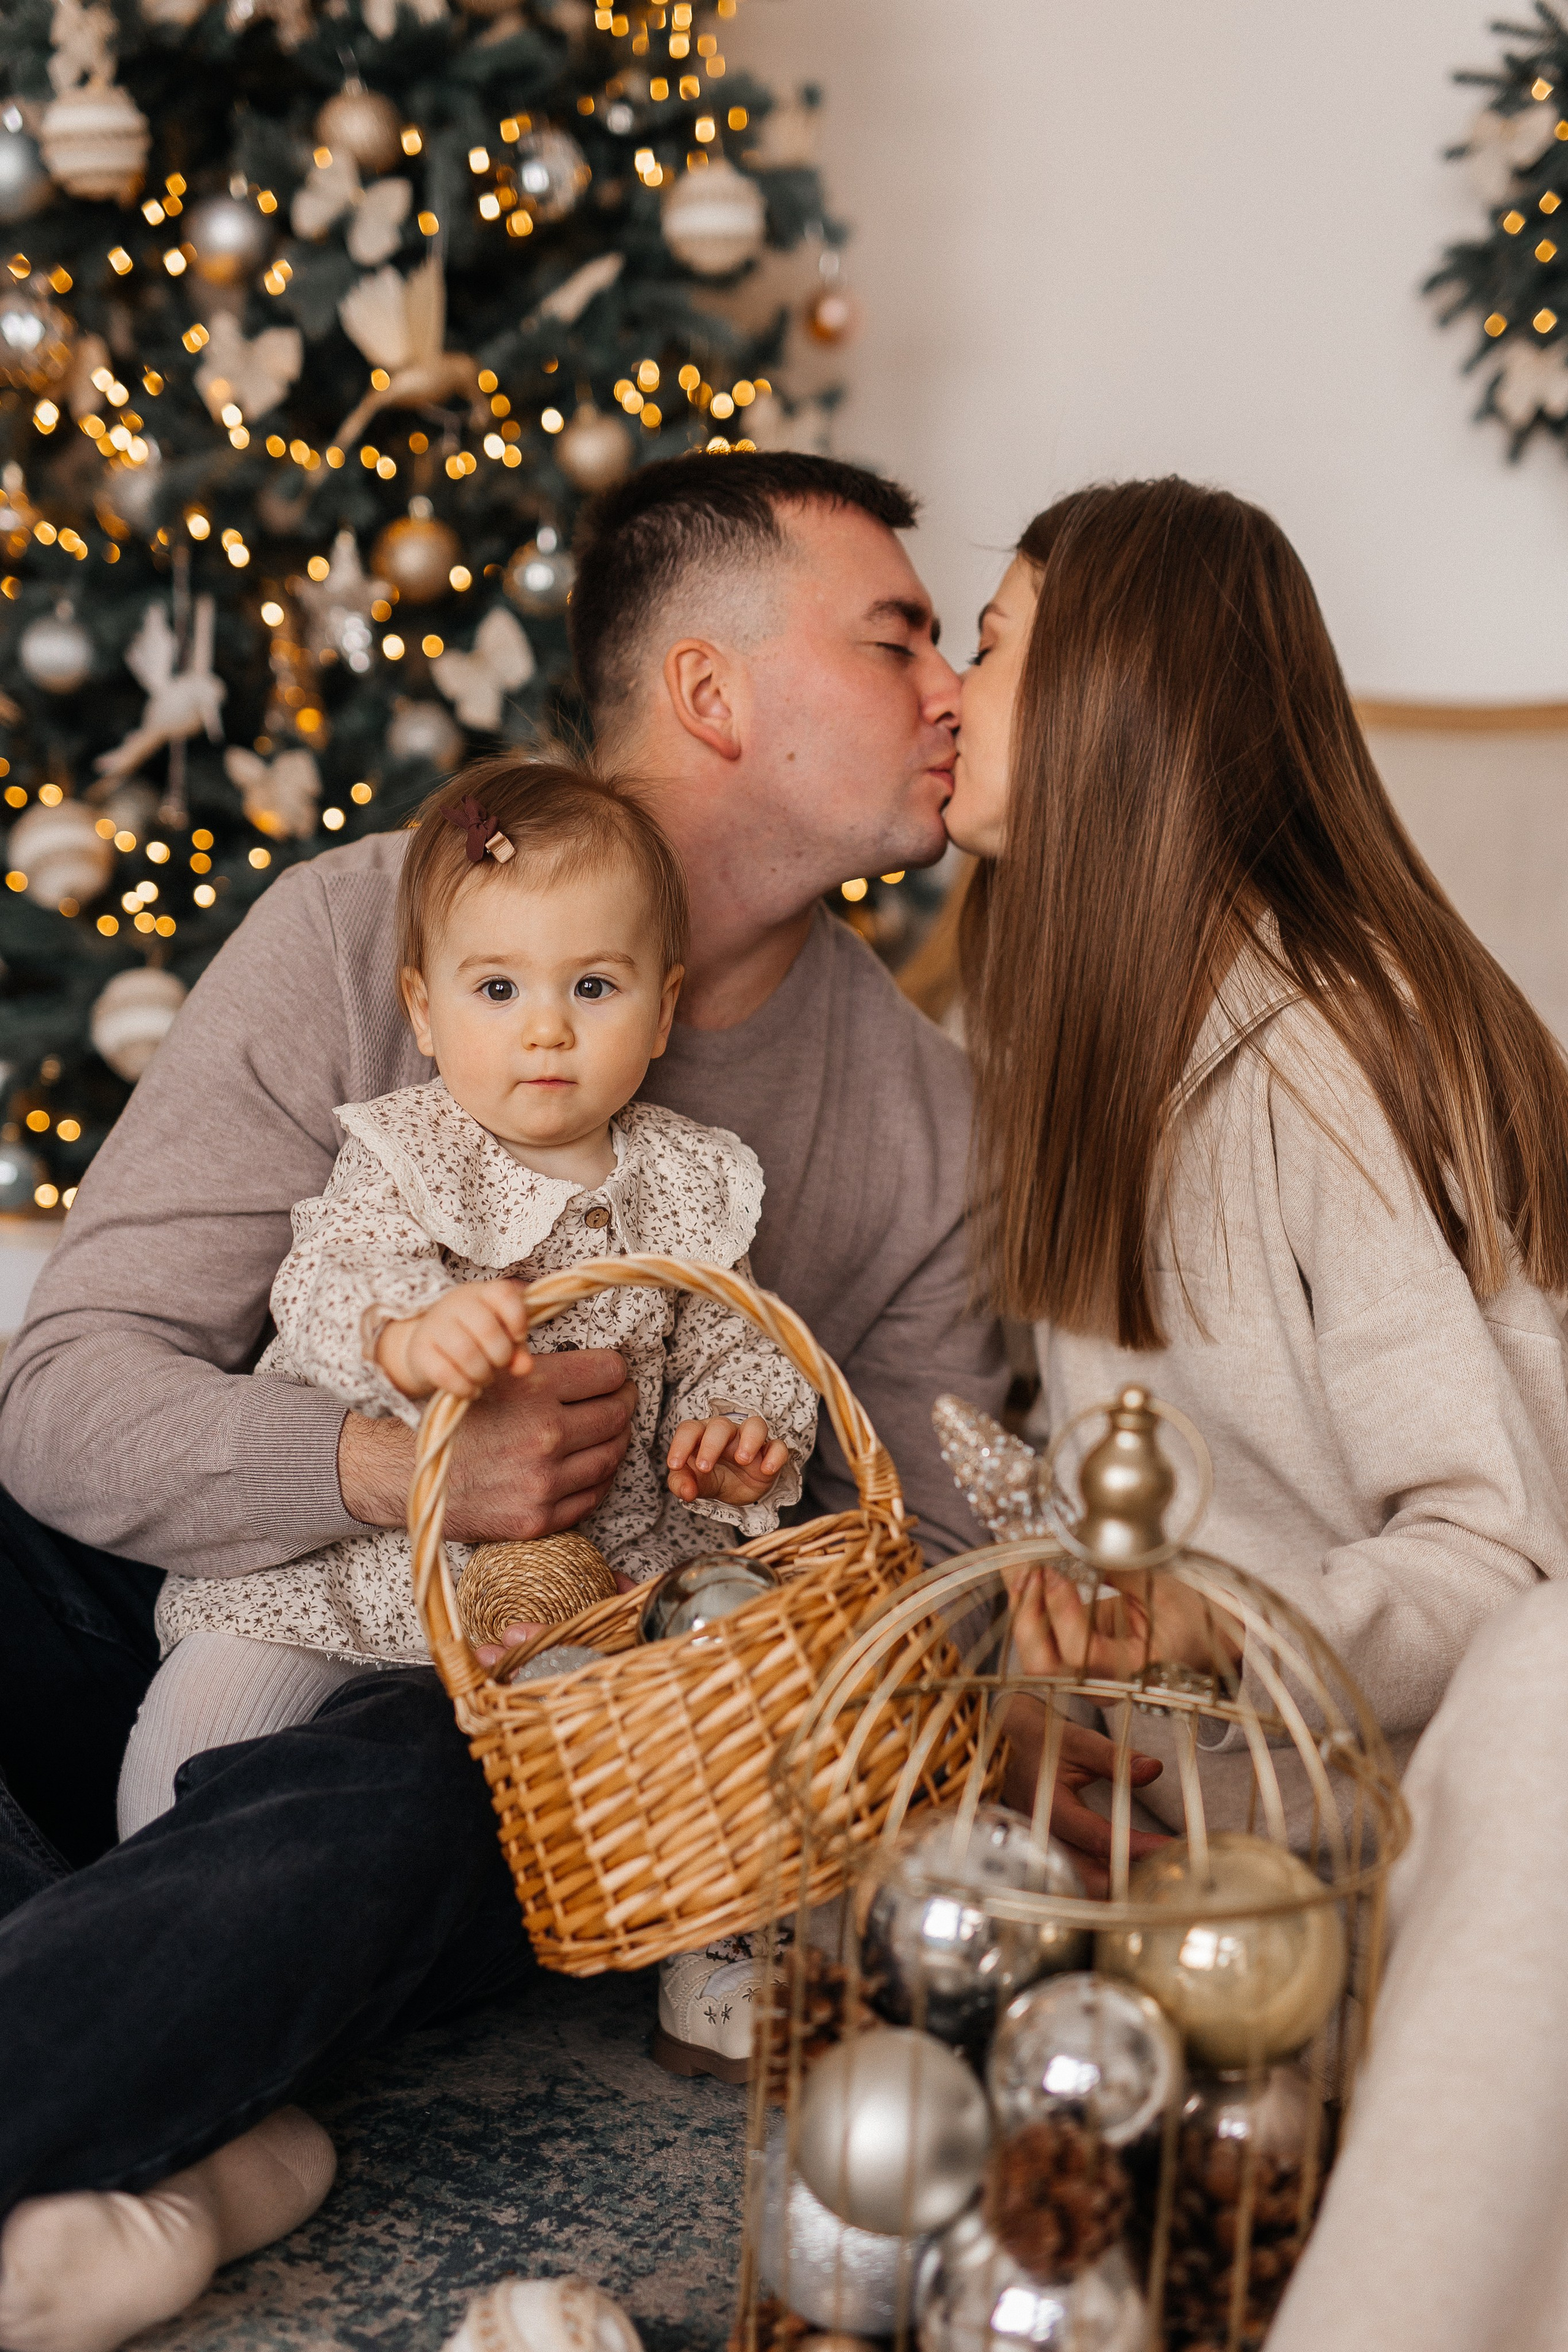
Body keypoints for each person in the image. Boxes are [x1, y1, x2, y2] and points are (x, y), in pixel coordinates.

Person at [0, 451, 1008, 2350]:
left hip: (473, 1733)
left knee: (399, 1798)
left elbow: (929, 1593)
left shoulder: (921, 1122)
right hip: (208, 1609)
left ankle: (132, 2057)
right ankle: (199, 2113)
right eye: (900, 642)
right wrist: (395, 1467)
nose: (949, 691)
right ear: (715, 696)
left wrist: (731, 1502)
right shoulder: (353, 933)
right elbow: (62, 1397)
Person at [941, 474, 1568, 2345]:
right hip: (1241, 1830)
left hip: (1465, 1786)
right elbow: (1147, 1501)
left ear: (1115, 709)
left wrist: (1227, 1629)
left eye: (987, 645)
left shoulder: (1322, 1059)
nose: (952, 694)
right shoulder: (1096, 1040)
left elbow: (1501, 1565)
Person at [123, 756, 818, 1840]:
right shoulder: (409, 1152)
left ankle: (703, 1942)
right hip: (357, 1562)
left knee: (690, 1741)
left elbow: (734, 1334)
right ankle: (148, 1899)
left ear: (663, 1008)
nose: (546, 1029)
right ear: (426, 1008)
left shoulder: (691, 1181)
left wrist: (738, 1428)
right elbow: (325, 1276)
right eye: (498, 989)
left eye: (593, 987)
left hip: (583, 1584)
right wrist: (408, 1335)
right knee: (192, 1748)